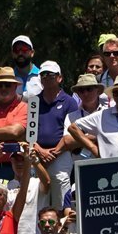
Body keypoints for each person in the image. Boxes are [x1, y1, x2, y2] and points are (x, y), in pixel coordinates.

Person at [32, 61, 78, 209]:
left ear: (59, 78)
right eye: (43, 75)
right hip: (37, 152)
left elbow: (71, 133)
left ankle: (63, 228)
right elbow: (29, 132)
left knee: (61, 184)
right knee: (37, 191)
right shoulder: (34, 102)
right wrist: (40, 151)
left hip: (61, 152)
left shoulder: (69, 102)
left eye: (51, 75)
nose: (46, 77)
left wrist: (53, 153)